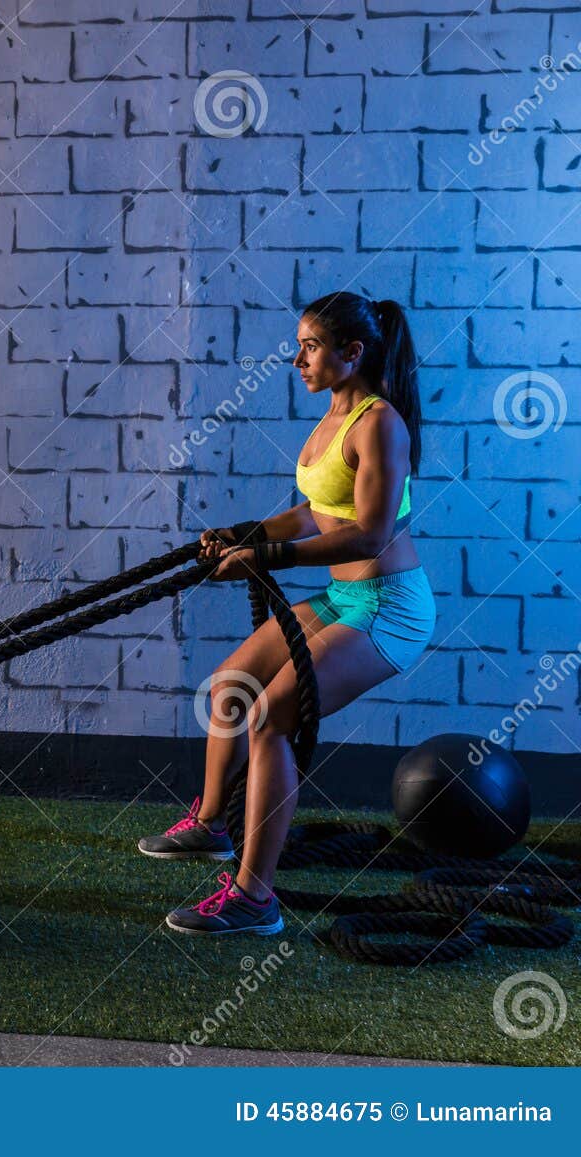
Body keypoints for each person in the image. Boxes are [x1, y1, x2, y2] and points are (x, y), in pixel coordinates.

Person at [143, 292, 437, 936]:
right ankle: (213, 825)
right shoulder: (333, 416)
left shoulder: (379, 422)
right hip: (344, 598)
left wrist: (265, 558)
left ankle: (254, 898)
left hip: (389, 608)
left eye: (309, 347)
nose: (296, 359)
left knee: (269, 719)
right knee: (230, 686)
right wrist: (243, 533)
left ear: (351, 352)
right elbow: (312, 512)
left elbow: (370, 535)